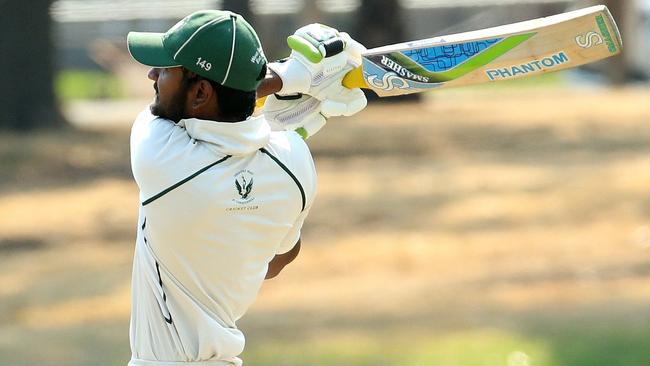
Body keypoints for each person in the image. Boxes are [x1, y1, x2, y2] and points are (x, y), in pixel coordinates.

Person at [126, 10, 366, 366]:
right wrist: (294, 83)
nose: (152, 76)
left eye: (165, 71)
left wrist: (288, 77)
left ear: (201, 92)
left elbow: (211, 114)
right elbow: (277, 259)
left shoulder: (160, 156)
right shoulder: (295, 164)